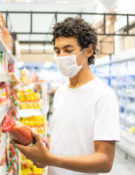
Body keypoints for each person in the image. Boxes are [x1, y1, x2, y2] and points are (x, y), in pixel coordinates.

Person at [14, 17, 120, 175]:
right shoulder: (60, 93)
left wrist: (51, 159)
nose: (61, 56)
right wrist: (42, 151)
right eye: (57, 51)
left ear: (89, 51)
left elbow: (105, 161)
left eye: (68, 50)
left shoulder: (103, 95)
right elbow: (62, 139)